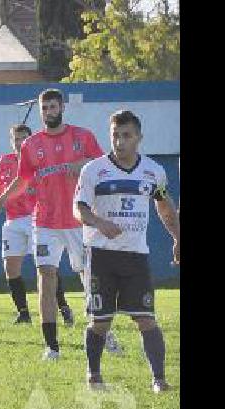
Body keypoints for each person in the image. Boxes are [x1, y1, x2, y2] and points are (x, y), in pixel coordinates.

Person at [0, 89, 122, 360]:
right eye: (44, 108)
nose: (48, 112)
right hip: (45, 222)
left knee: (88, 278)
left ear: (62, 108)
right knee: (46, 275)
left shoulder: (82, 136)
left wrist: (80, 163)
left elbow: (103, 166)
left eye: (52, 107)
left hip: (78, 221)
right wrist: (0, 201)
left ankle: (104, 333)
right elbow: (22, 181)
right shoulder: (31, 145)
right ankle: (52, 347)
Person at [73, 110, 180, 392]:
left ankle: (159, 379)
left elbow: (164, 205)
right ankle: (94, 376)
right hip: (101, 255)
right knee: (100, 322)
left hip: (136, 257)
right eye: (115, 136)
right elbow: (79, 208)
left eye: (126, 136)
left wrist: (177, 237)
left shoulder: (153, 171)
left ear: (139, 138)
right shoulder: (94, 170)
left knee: (146, 319)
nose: (120, 142)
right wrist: (99, 222)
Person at [0, 124, 75, 326]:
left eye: (23, 138)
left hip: (36, 218)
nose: (19, 142)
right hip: (12, 220)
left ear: (30, 140)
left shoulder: (39, 159)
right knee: (11, 266)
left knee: (46, 266)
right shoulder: (4, 161)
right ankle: (23, 313)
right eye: (15, 138)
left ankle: (63, 307)